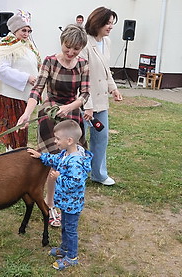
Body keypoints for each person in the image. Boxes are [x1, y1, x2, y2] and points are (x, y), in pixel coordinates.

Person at [17, 24, 89, 227]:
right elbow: (37, 90)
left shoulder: (83, 64)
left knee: (71, 163)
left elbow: (84, 95)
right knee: (52, 164)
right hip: (49, 116)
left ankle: (69, 201)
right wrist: (26, 113)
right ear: (62, 42)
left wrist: (69, 107)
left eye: (75, 49)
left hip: (72, 115)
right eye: (67, 47)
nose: (70, 53)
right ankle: (50, 205)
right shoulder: (50, 61)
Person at [27, 120, 92, 270]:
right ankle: (64, 248)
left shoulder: (75, 161)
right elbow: (56, 159)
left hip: (72, 203)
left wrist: (58, 177)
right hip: (66, 202)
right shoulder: (67, 153)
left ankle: (72, 257)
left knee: (70, 229)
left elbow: (75, 183)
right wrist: (41, 156)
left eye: (57, 139)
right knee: (65, 227)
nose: (55, 141)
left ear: (69, 140)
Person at [79, 7, 123, 186]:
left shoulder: (108, 42)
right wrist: (86, 103)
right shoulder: (84, 42)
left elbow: (106, 70)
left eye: (113, 23)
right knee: (78, 137)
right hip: (84, 99)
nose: (111, 27)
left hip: (101, 100)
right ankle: (75, 172)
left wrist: (114, 89)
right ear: (97, 22)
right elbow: (83, 76)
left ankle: (98, 173)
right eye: (108, 23)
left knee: (101, 136)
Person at [0, 10, 41, 151]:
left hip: (25, 95)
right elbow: (2, 70)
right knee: (14, 133)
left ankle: (17, 160)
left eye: (28, 31)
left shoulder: (28, 45)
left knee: (21, 133)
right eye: (23, 30)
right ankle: (12, 160)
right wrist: (26, 78)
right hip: (11, 96)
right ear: (15, 30)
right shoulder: (6, 45)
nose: (26, 34)